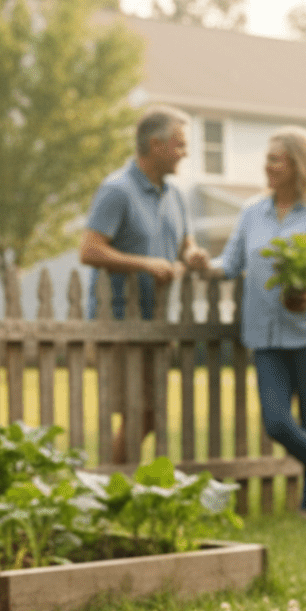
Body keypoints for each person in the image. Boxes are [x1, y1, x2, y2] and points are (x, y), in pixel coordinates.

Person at [204, 126, 306, 519]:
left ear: (298, 165)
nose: (267, 166)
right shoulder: (251, 212)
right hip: (265, 334)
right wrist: (199, 264)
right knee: (277, 422)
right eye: (267, 158)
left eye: (275, 159)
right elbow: (230, 265)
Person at [80, 105, 208, 463]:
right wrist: (144, 264)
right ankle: (109, 486)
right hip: (119, 321)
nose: (185, 153)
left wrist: (193, 255)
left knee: (149, 414)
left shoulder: (175, 194)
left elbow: (185, 244)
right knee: (135, 412)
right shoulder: (116, 191)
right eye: (180, 145)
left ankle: (115, 484)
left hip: (157, 322)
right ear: (156, 144)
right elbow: (89, 250)